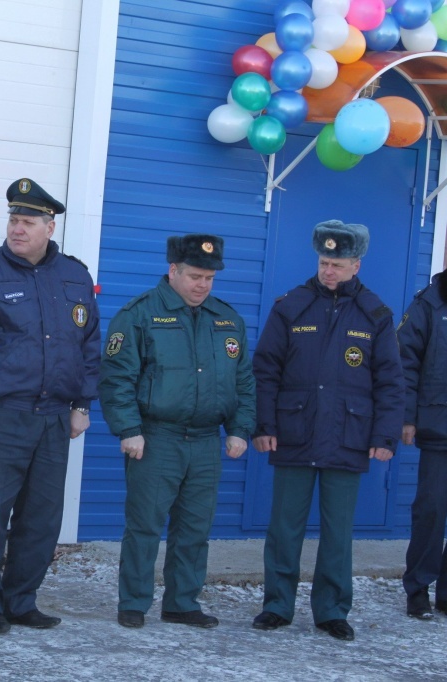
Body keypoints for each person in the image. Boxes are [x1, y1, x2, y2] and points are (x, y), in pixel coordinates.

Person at [0, 178, 100, 635]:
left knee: (41, 519)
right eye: (14, 219)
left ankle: (21, 600)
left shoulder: (74, 275)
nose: (17, 228)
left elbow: (89, 344)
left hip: (54, 417)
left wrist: (83, 403)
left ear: (50, 227)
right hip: (1, 416)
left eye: (28, 221)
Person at [252, 220, 404, 642]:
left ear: (356, 265)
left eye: (337, 264)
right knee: (284, 527)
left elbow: (390, 380)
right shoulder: (291, 306)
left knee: (338, 532)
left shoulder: (375, 314)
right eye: (323, 262)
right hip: (293, 431)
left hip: (347, 435)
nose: (328, 271)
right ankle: (277, 605)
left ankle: (332, 610)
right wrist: (264, 424)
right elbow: (265, 369)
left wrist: (385, 435)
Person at [98, 234, 255, 630]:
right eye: (195, 276)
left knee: (195, 528)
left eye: (209, 278)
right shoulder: (139, 314)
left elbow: (244, 381)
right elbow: (117, 378)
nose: (202, 285)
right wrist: (129, 429)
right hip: (156, 439)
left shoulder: (227, 319)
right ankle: (134, 602)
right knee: (145, 525)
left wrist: (239, 429)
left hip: (205, 441)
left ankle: (182, 603)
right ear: (173, 271)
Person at [397, 271, 447, 620]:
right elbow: (406, 361)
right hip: (439, 425)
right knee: (431, 509)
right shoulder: (429, 303)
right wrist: (407, 416)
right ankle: (418, 589)